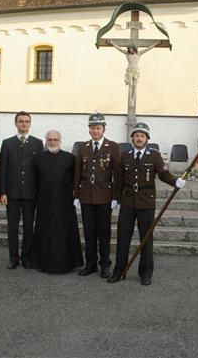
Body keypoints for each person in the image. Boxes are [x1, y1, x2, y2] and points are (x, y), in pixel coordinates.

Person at [108, 123, 185, 286]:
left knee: (146, 238)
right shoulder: (125, 155)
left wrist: (175, 181)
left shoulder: (154, 156)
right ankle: (119, 270)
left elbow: (163, 174)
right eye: (136, 135)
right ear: (132, 138)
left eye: (142, 136)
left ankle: (145, 272)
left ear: (147, 139)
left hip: (146, 201)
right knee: (122, 237)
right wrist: (116, 198)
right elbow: (119, 179)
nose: (139, 138)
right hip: (128, 201)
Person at [73, 112, 121, 278]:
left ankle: (105, 265)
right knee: (89, 232)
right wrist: (76, 195)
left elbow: (117, 174)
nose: (95, 131)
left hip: (104, 196)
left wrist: (116, 197)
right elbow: (77, 173)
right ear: (89, 130)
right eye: (93, 128)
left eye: (98, 128)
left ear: (104, 129)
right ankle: (90, 264)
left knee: (104, 232)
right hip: (86, 195)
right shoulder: (83, 147)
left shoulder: (113, 147)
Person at [32, 130, 83, 273]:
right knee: (44, 231)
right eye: (50, 140)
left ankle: (67, 263)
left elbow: (75, 179)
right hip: (44, 202)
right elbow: (35, 180)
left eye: (55, 139)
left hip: (64, 203)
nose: (52, 142)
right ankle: (42, 262)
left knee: (64, 232)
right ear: (46, 141)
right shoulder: (38, 159)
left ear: (60, 141)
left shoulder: (70, 158)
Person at [0, 111, 44, 270]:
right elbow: (2, 169)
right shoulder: (7, 143)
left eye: (26, 121)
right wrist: (2, 192)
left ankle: (26, 257)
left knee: (28, 227)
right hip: (12, 193)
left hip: (30, 194)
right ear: (16, 123)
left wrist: (40, 193)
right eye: (20, 121)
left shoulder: (38, 144)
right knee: (12, 227)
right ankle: (13, 257)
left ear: (30, 124)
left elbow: (40, 171)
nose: (23, 124)